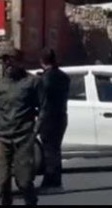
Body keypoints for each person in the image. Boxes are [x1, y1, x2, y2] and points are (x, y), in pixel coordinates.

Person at [0, 47, 41, 206]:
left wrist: (36, 130)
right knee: (2, 183)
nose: (8, 63)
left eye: (11, 59)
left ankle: (31, 202)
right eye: (5, 60)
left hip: (23, 138)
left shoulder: (32, 82)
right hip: (2, 138)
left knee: (24, 182)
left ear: (20, 62)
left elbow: (44, 108)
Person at [36, 48, 70, 194]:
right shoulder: (64, 77)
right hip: (61, 116)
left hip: (49, 117)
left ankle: (53, 182)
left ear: (42, 61)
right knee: (55, 150)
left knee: (49, 151)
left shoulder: (45, 79)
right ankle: (53, 180)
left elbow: (43, 101)